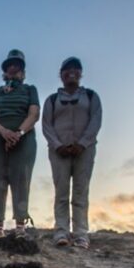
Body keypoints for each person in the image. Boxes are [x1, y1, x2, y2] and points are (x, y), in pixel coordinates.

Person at [42, 57, 103, 249]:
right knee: (61, 192)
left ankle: (80, 234)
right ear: (61, 75)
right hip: (59, 151)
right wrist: (57, 145)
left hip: (84, 151)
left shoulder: (91, 97)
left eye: (75, 69)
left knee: (80, 192)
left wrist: (83, 143)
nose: (71, 73)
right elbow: (46, 125)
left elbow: (96, 121)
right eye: (66, 70)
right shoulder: (52, 100)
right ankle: (61, 230)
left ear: (81, 73)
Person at [0, 49, 40, 235]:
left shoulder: (30, 90)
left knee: (21, 178)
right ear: (5, 71)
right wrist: (3, 131)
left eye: (17, 66)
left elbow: (34, 114)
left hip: (24, 139)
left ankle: (20, 226)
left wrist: (19, 133)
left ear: (23, 71)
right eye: (10, 66)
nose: (13, 69)